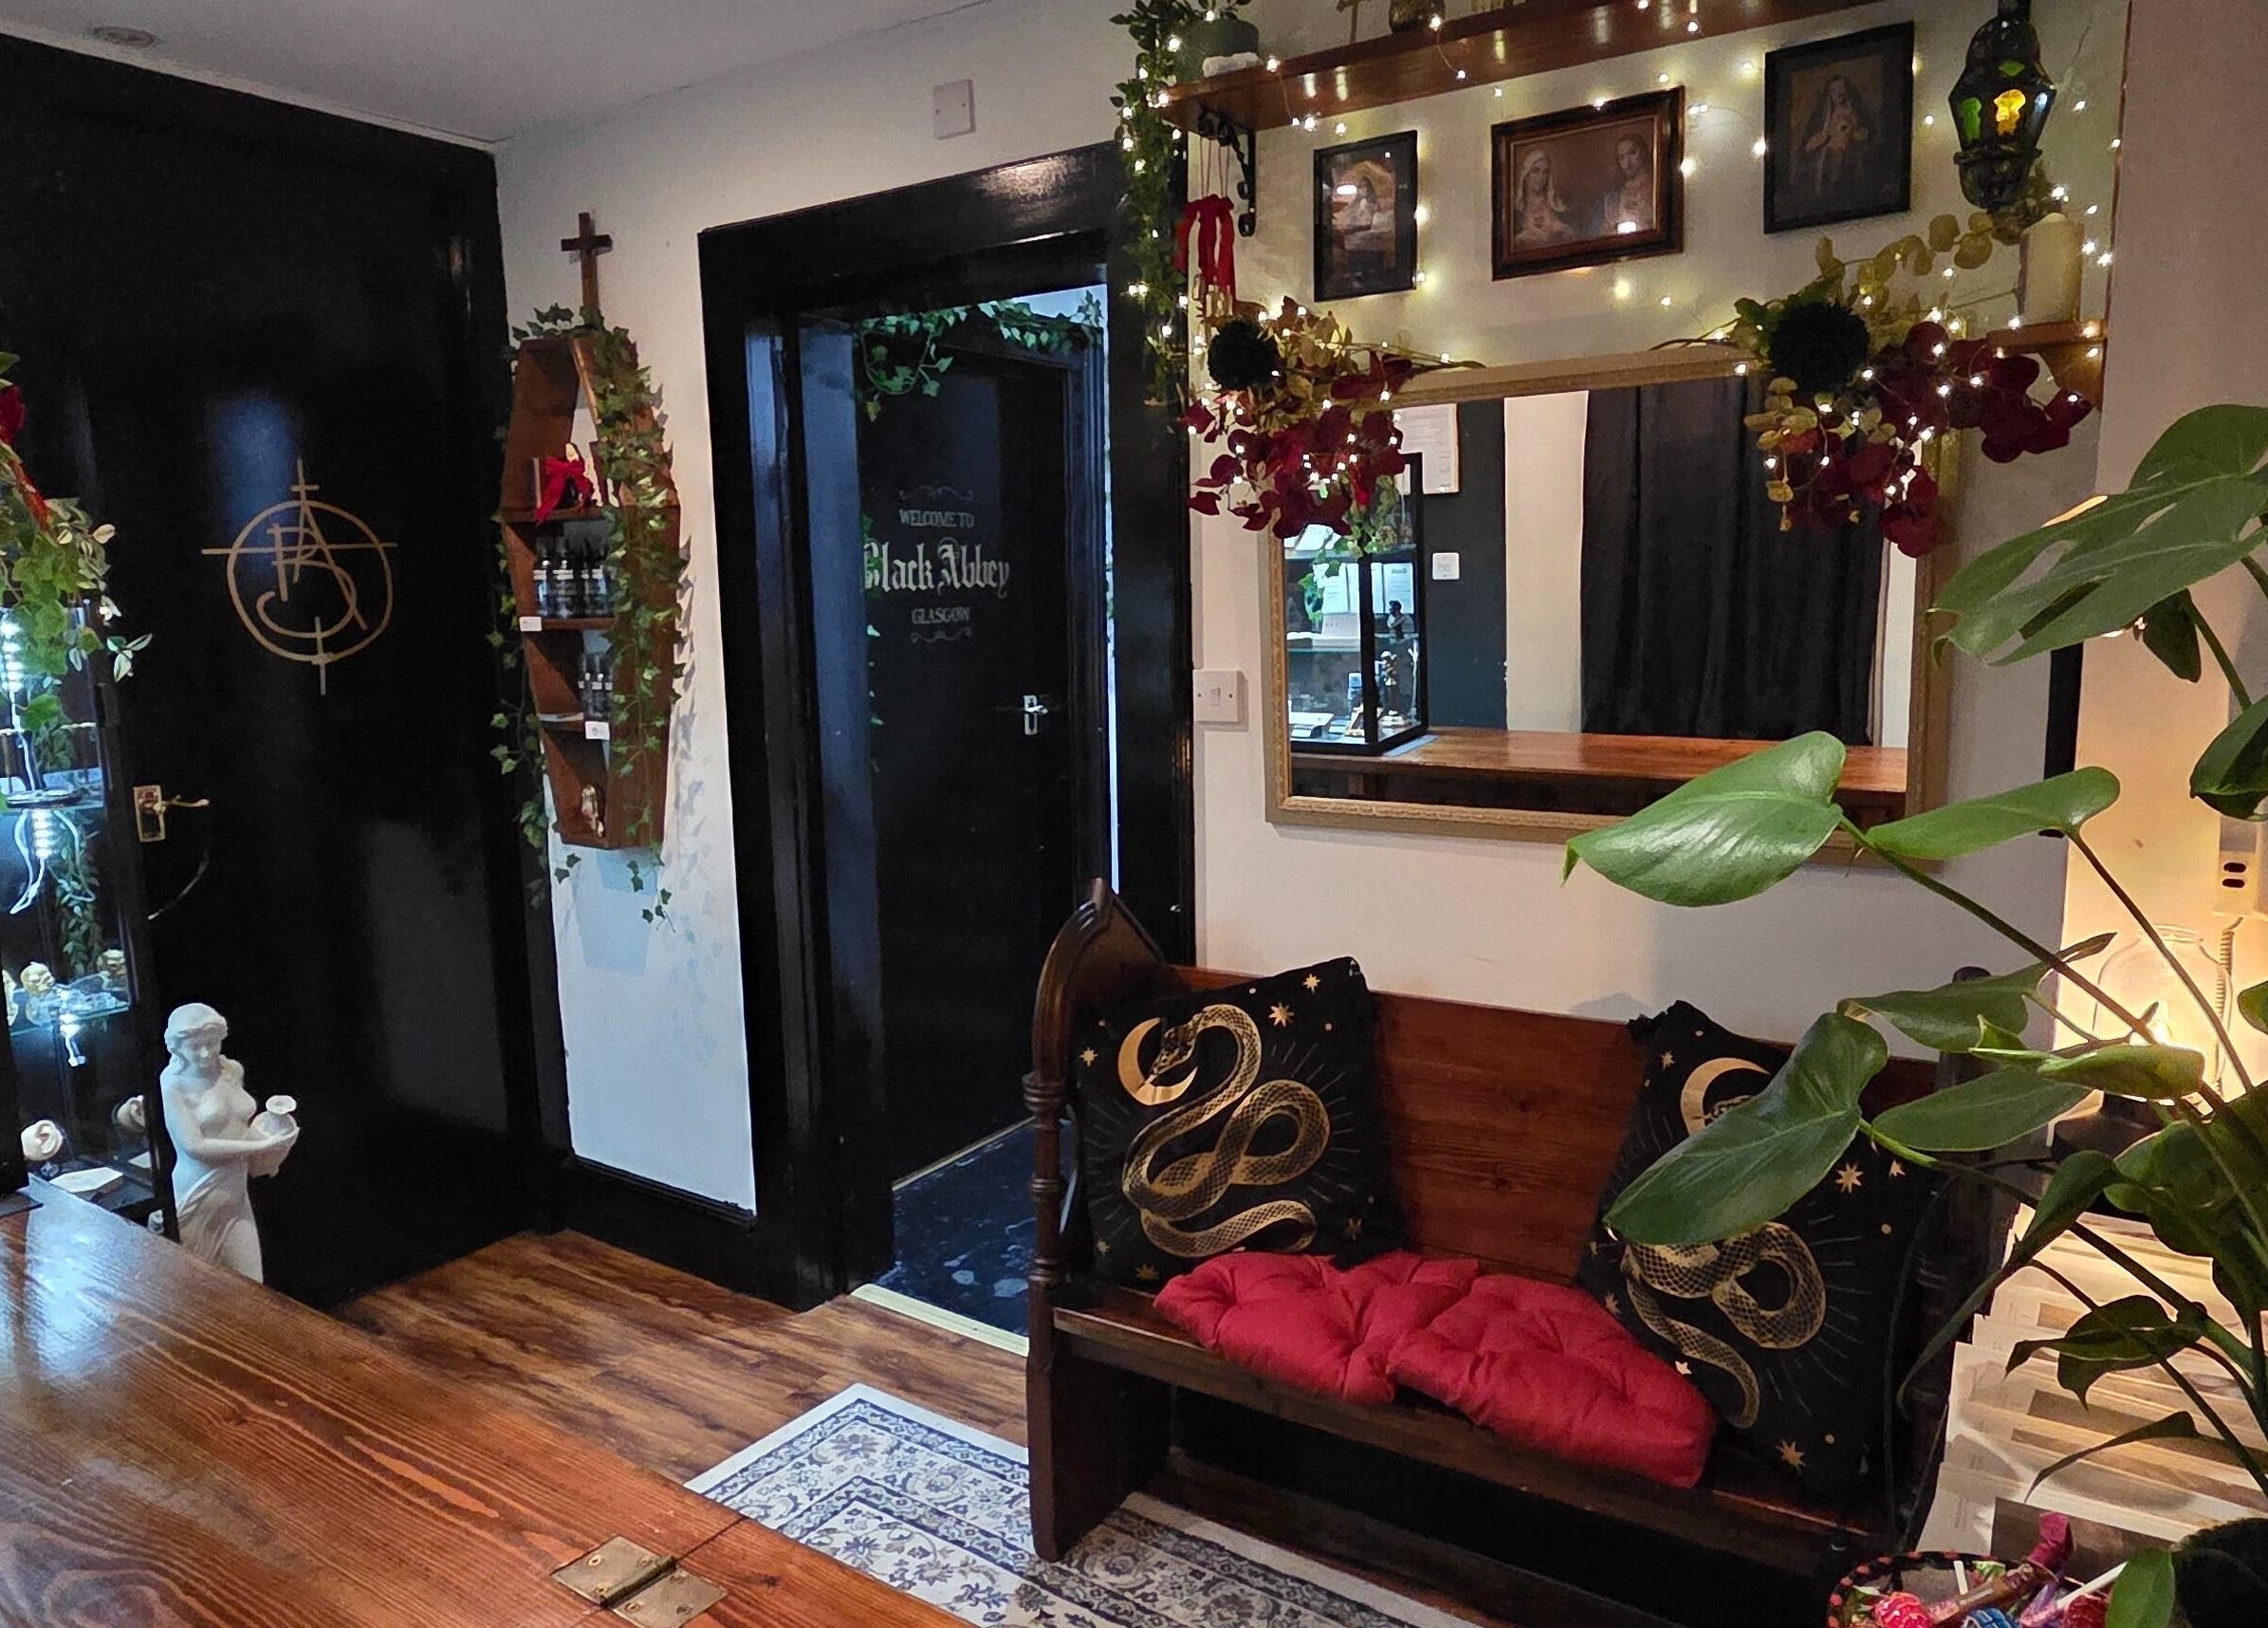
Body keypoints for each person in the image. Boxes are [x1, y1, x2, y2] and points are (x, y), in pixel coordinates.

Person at [158, 1003, 298, 1282]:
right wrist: (258, 1148)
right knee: (200, 1290)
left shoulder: (231, 1070)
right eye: (195, 1046)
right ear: (176, 1047)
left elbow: (237, 1125)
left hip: (235, 1191)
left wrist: (272, 1130)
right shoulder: (172, 1084)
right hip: (199, 1191)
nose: (206, 1053)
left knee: (252, 1285)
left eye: (212, 1044)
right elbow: (194, 1147)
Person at [1796, 73, 1875, 204]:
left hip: (1852, 152)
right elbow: (1809, 143)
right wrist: (1825, 136)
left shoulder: (1856, 112)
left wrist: (1854, 134)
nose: (1839, 94)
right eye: (1834, 91)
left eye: (1842, 89)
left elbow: (1867, 133)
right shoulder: (1823, 116)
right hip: (1828, 153)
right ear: (1829, 94)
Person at [1512, 149, 1578, 246]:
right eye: (1535, 171)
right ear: (1526, 175)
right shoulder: (1517, 209)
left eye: (1545, 172)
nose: (1541, 177)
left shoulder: (1555, 204)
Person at [1595, 133, 1654, 237]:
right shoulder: (1614, 196)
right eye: (1621, 158)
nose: (1627, 162)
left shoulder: (1655, 186)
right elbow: (1606, 232)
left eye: (1632, 153)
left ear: (1643, 152)